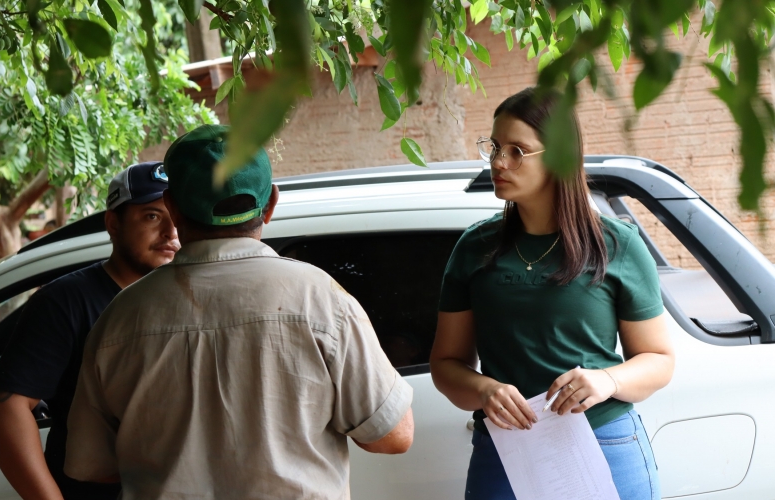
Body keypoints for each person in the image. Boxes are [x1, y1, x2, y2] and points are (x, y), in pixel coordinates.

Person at [63, 124, 414, 499]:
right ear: (272, 204)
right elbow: (392, 437)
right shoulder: (322, 300)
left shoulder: (119, 319)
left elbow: (94, 467)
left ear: (172, 207)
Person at [429, 87, 675, 500]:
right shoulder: (475, 247)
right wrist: (485, 390)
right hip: (506, 449)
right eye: (494, 146)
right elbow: (446, 364)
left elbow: (659, 361)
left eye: (517, 150)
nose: (498, 162)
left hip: (604, 444)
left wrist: (606, 381)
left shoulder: (617, 245)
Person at [0, 161, 180, 500]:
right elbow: (4, 408)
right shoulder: (66, 302)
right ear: (113, 223)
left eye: (178, 217)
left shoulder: (194, 292)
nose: (170, 232)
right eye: (152, 216)